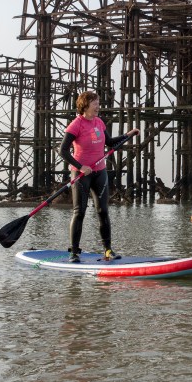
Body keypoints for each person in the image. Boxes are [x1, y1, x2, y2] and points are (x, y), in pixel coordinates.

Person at [60, 90, 139, 263]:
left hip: (100, 172)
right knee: (79, 212)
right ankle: (74, 252)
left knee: (103, 211)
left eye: (98, 102)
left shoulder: (99, 122)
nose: (98, 106)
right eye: (95, 103)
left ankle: (108, 250)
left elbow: (110, 143)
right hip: (82, 174)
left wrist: (128, 135)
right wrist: (81, 167)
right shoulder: (76, 124)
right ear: (85, 105)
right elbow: (63, 150)